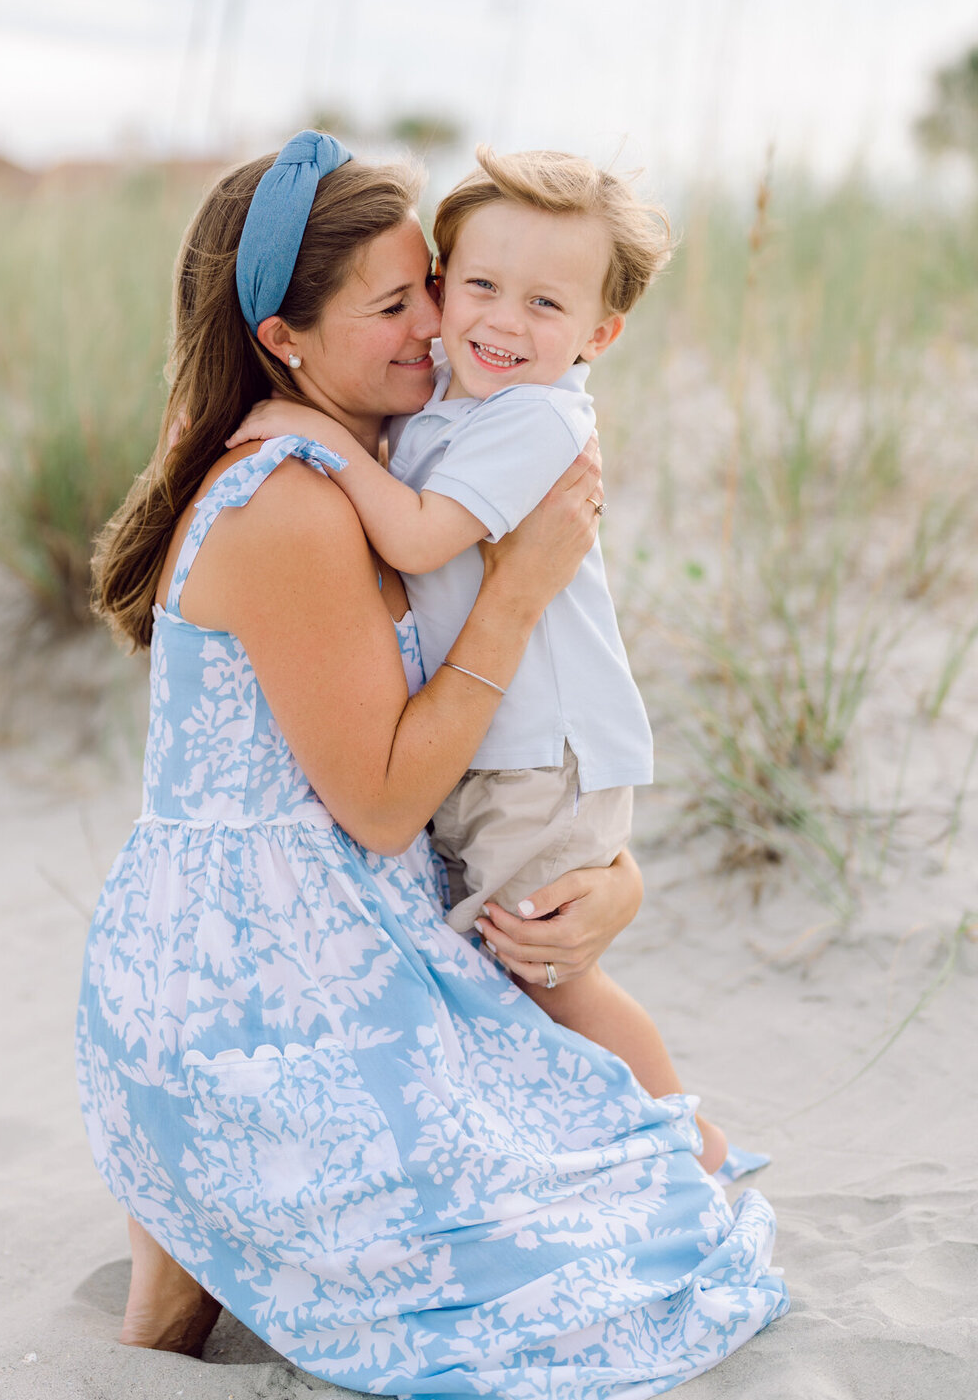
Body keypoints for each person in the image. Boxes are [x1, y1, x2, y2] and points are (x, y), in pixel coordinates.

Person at [76, 131, 787, 1400]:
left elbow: (491, 773)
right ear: (286, 340)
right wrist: (515, 593)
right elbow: (392, 806)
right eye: (399, 304)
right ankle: (189, 1251)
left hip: (328, 933)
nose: (439, 328)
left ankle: (197, 1252)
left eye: (435, 283)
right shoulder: (289, 498)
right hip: (245, 989)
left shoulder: (399, 453)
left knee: (581, 1156)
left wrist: (613, 875)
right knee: (567, 1273)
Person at [226, 146, 763, 1181]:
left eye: (545, 304)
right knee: (508, 969)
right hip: (497, 748)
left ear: (599, 335)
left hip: (538, 754)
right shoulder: (455, 402)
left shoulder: (536, 417)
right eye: (476, 285)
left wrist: (310, 435)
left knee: (549, 973)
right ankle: (614, 1151)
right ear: (439, 282)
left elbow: (422, 538)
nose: (500, 323)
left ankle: (691, 1150)